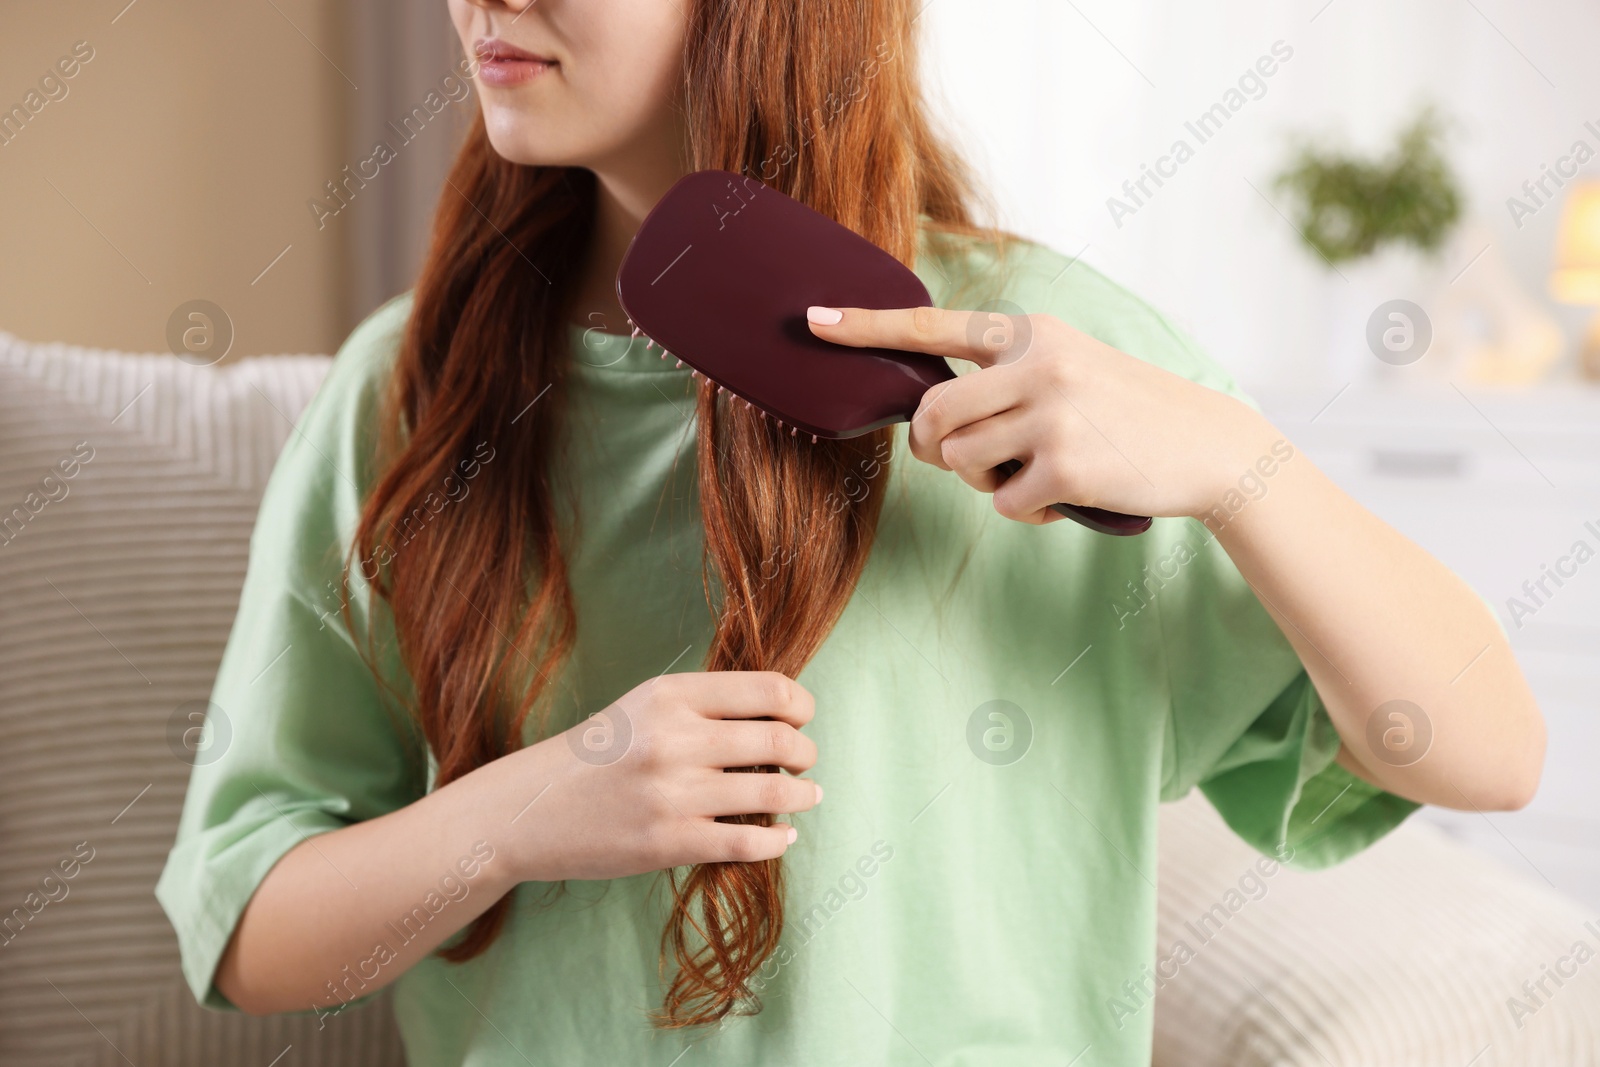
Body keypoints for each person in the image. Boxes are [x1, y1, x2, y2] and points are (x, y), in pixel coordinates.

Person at [156, 0, 1545, 1063]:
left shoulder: (1055, 371)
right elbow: (245, 925)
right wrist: (525, 810)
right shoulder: (411, 394)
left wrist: (1246, 467)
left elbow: (1487, 754)